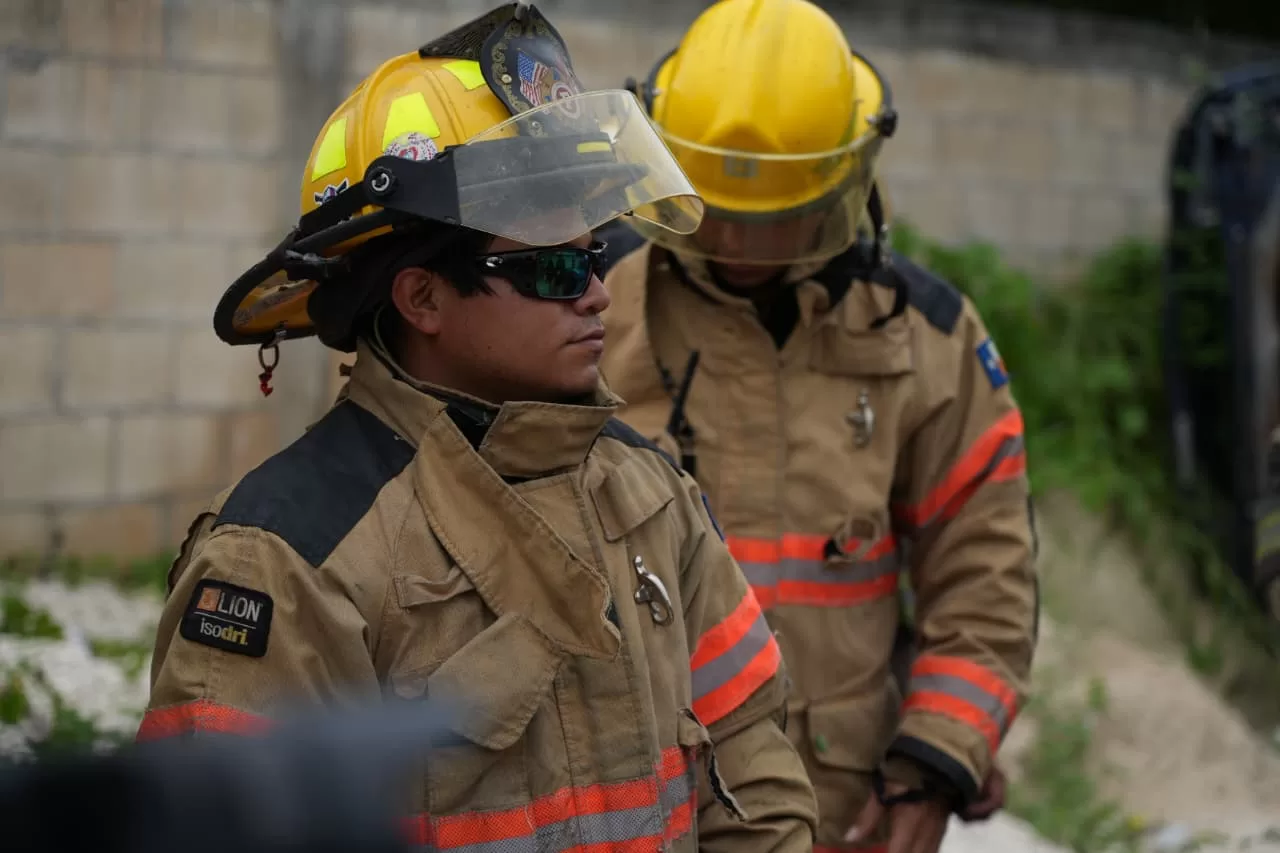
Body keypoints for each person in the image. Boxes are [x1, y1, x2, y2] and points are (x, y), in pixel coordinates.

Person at [136, 4, 820, 851]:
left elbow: (754, 758)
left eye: (597, 252)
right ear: (421, 297)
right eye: (556, 264)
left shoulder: (652, 495)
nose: (597, 290)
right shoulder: (287, 559)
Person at [594, 0, 1041, 851]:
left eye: (769, 216)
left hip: (844, 815)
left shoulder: (927, 339)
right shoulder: (586, 314)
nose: (734, 239)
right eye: (711, 206)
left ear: (842, 180)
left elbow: (985, 575)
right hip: (632, 813)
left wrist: (938, 758)